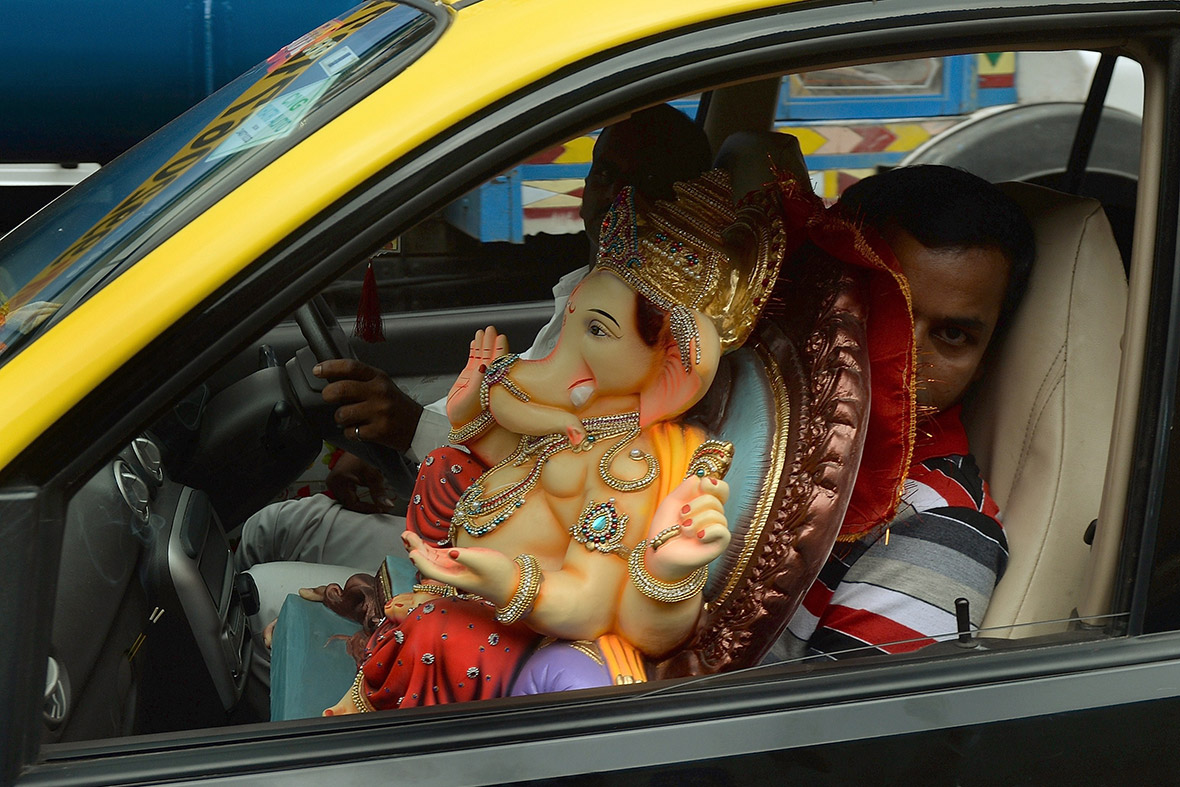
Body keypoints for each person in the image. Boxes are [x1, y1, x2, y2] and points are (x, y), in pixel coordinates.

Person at [234, 105, 715, 692]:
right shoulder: (589, 293)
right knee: (274, 526)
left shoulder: (636, 439)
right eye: (599, 174)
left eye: (631, 182)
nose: (605, 194)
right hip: (464, 545)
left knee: (253, 600)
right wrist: (419, 435)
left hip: (506, 591)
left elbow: (596, 589)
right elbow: (512, 410)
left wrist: (415, 431)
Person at [322, 162, 799, 714]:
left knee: (435, 630)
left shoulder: (626, 466)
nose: (562, 350)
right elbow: (500, 458)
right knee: (447, 464)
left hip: (505, 628)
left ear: (672, 363)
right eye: (575, 319)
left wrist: (508, 581)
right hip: (456, 582)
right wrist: (468, 414)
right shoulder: (575, 420)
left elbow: (591, 600)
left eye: (597, 331)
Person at [765, 164, 1035, 662]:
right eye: (882, 306)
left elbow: (836, 734)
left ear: (983, 364)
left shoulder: (936, 526)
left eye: (953, 335)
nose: (904, 353)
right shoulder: (752, 412)